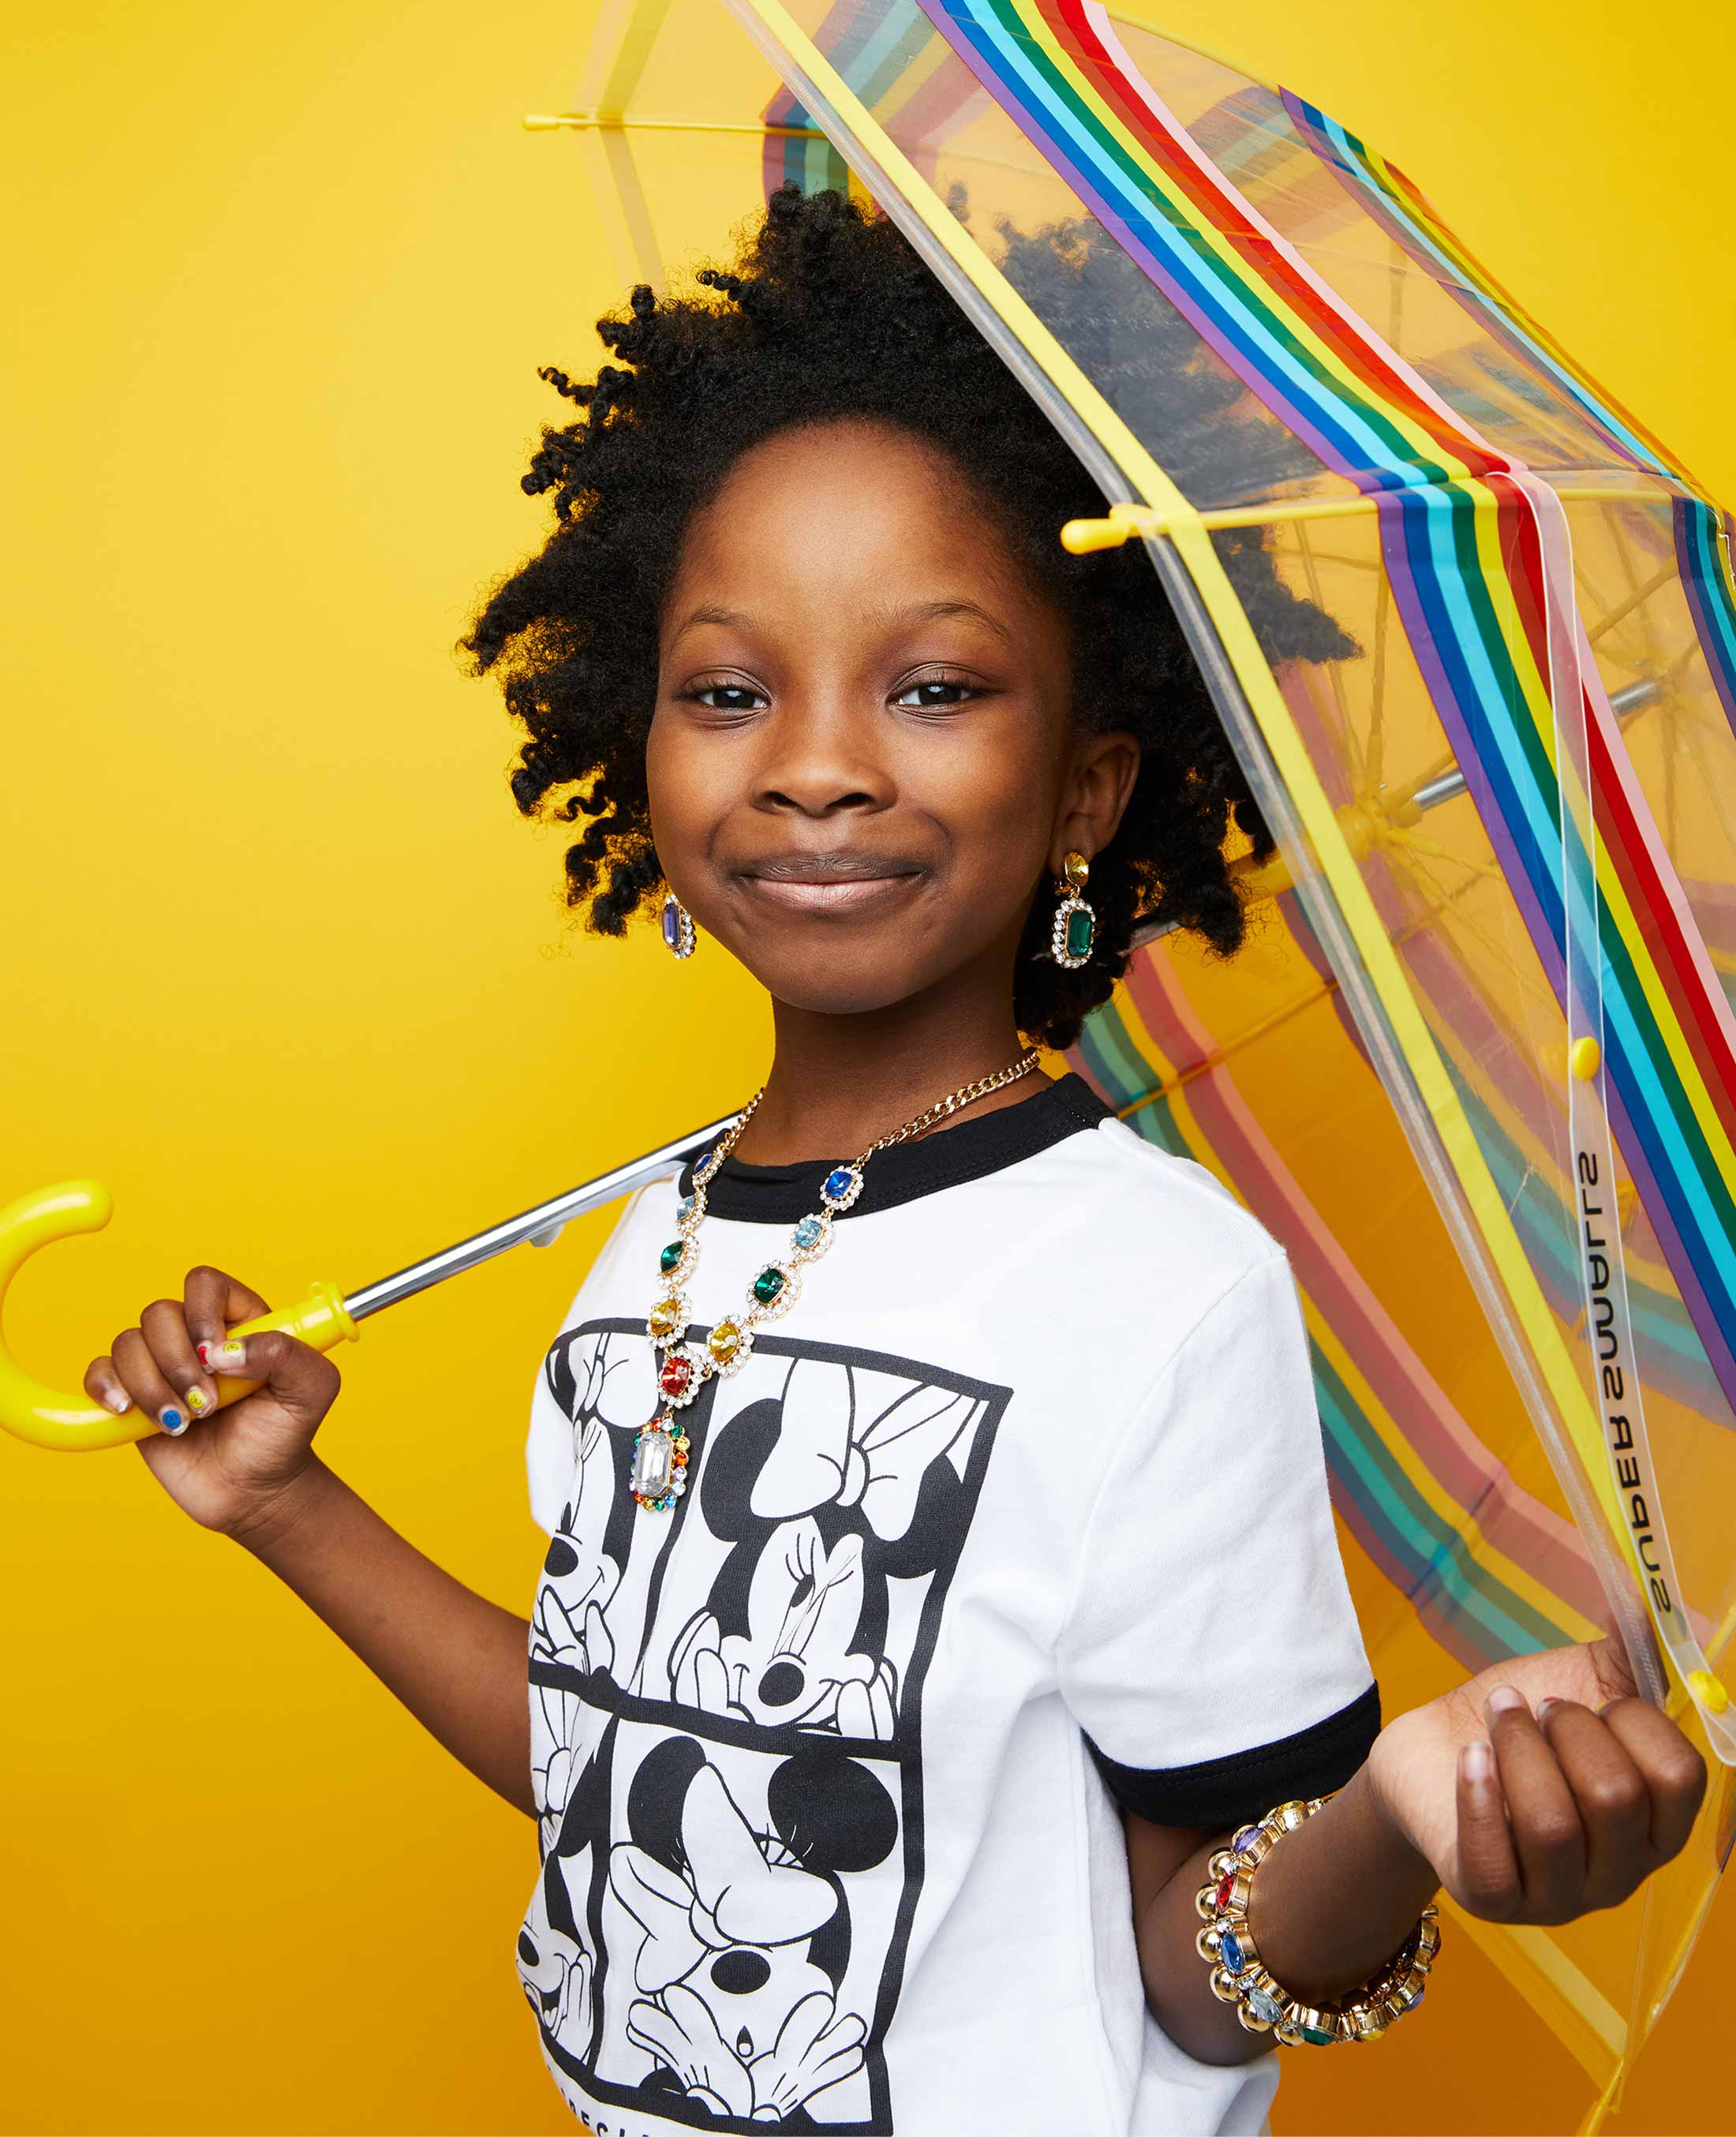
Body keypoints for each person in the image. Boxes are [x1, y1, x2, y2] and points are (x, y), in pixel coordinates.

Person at [84, 187, 1704, 2136]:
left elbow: (1195, 1978)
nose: (816, 763)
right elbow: (623, 1760)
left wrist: (1393, 1813)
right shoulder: (647, 1243)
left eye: (930, 686)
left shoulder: (1157, 1292)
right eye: (728, 689)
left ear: (1086, 789)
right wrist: (288, 1505)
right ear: (644, 744)